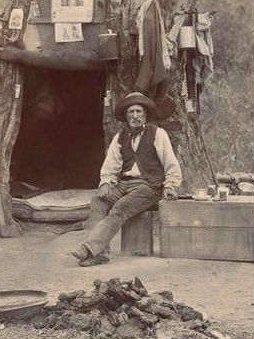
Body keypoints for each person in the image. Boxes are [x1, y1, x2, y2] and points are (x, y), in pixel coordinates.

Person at [72, 91, 182, 266]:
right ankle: (101, 254)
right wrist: (106, 183)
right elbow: (110, 166)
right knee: (98, 201)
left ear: (145, 114)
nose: (136, 116)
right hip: (125, 184)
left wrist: (170, 186)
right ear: (125, 115)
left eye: (139, 111)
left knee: (121, 207)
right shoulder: (120, 137)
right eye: (131, 112)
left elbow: (171, 164)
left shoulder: (158, 134)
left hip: (149, 186)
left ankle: (88, 248)